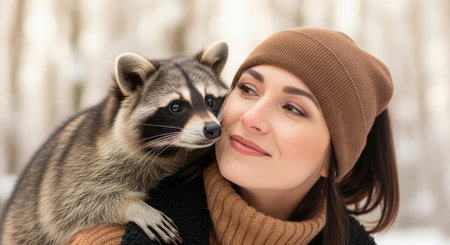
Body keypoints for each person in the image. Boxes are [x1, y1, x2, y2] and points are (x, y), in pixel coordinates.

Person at [67, 27, 399, 245]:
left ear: (335, 160)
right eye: (248, 89)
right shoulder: (113, 234)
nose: (251, 117)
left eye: (294, 108)